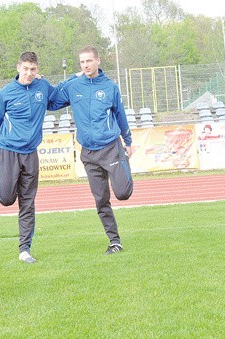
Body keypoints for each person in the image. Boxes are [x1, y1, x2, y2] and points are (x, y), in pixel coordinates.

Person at [51, 46, 133, 255]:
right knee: (101, 199)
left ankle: (124, 163)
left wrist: (128, 140)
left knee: (123, 193)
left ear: (98, 61)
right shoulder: (74, 86)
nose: (86, 65)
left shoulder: (110, 87)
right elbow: (51, 103)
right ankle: (115, 241)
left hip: (111, 148)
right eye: (82, 62)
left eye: (89, 61)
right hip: (88, 153)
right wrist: (70, 78)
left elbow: (120, 115)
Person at [0, 51, 66, 264]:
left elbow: (60, 98)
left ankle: (25, 249)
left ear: (37, 69)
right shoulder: (5, 93)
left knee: (28, 202)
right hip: (7, 151)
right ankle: (0, 180)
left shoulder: (43, 87)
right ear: (18, 67)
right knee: (5, 199)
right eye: (25, 69)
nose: (29, 73)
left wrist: (78, 81)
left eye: (33, 69)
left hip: (30, 153)